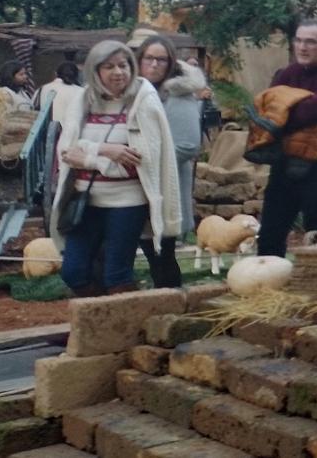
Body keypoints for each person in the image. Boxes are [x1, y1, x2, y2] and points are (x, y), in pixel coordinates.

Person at [49, 41, 180, 296]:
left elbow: (141, 161)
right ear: (95, 71)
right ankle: (101, 314)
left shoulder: (144, 102)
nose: (117, 72)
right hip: (85, 200)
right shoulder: (82, 100)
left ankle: (120, 328)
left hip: (127, 202)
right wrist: (106, 151)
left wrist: (85, 153)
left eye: (123, 65)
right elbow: (67, 151)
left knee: (117, 274)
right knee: (73, 271)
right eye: (108, 66)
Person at [257, 19, 317, 257]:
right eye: (299, 40)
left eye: (311, 42)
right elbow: (266, 109)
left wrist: (284, 107)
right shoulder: (289, 73)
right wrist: (284, 108)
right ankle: (267, 283)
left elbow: (309, 113)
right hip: (285, 160)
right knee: (271, 228)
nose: (302, 47)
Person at [133, 34, 207, 288]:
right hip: (133, 186)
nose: (154, 65)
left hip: (166, 188)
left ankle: (171, 307)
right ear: (139, 60)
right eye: (149, 58)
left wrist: (141, 162)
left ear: (170, 63)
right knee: (148, 253)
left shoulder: (178, 94)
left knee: (162, 255)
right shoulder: (135, 92)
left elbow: (187, 146)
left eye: (161, 60)